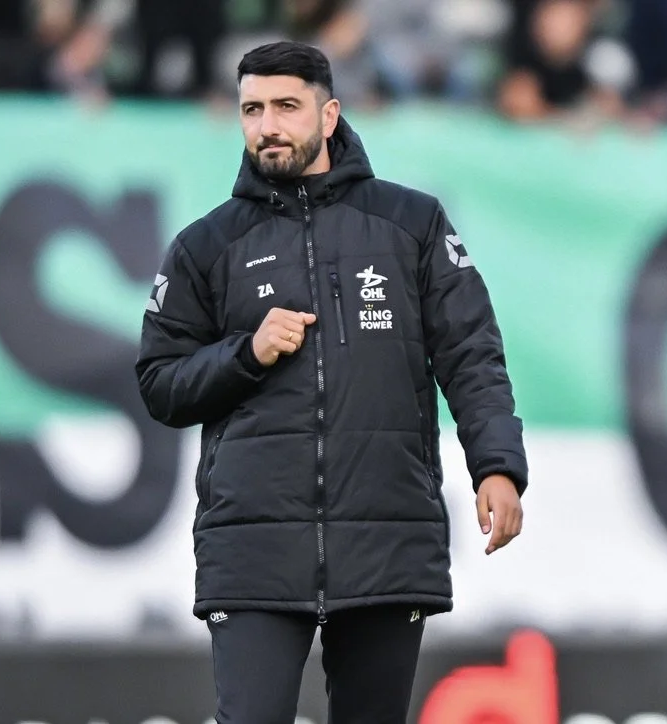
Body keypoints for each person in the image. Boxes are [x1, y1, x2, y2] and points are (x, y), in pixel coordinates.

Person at [135, 40, 528, 722]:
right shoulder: (206, 246)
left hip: (385, 536)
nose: (268, 125)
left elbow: (471, 354)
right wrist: (246, 354)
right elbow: (160, 382)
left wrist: (497, 466)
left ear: (330, 114)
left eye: (286, 106)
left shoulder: (412, 224)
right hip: (254, 549)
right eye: (252, 109)